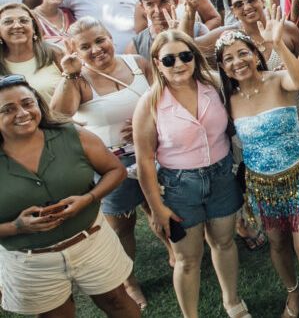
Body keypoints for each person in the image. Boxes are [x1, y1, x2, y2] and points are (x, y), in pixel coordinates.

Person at [214, 17, 299, 318]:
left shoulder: (278, 79)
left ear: (255, 54)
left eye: (243, 53)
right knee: (277, 245)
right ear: (222, 68)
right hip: (262, 185)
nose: (238, 62)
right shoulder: (227, 100)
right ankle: (292, 293)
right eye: (228, 58)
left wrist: (277, 42)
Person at [0, 75, 139, 318]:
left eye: (27, 103)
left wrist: (89, 198)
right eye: (7, 109)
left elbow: (115, 170)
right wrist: (16, 227)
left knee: (117, 301)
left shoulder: (72, 134)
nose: (22, 113)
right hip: (31, 261)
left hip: (92, 240)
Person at [132, 31, 249, 318]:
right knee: (187, 259)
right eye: (169, 59)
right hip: (180, 186)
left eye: (185, 56)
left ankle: (232, 303)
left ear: (194, 57)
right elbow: (144, 161)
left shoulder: (216, 86)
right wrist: (157, 208)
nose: (178, 64)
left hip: (222, 177)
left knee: (224, 242)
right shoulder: (149, 103)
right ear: (158, 64)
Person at [50, 17, 156, 310]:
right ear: (74, 50)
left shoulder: (137, 63)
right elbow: (57, 117)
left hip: (154, 151)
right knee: (123, 225)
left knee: (158, 206)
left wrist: (149, 123)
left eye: (100, 40)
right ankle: (129, 281)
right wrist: (69, 75)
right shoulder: (78, 80)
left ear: (110, 36)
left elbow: (163, 96)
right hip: (111, 165)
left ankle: (175, 250)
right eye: (85, 46)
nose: (96, 49)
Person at [0, 3, 64, 102]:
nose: (17, 26)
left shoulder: (55, 53)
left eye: (24, 20)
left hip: (59, 117)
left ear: (34, 27)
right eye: (8, 22)